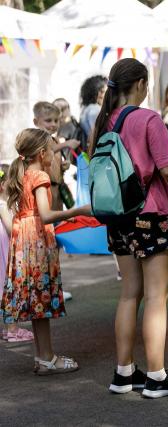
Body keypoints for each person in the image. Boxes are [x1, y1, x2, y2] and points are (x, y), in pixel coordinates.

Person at [89, 58, 168, 398]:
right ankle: (157, 376)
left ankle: (124, 373)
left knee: (130, 293)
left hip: (118, 217)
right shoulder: (148, 119)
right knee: (157, 297)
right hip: (153, 214)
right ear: (141, 83)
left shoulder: (104, 122)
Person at [1, 128, 91, 374]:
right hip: (36, 240)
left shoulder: (22, 174)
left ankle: (42, 358)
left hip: (24, 240)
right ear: (42, 154)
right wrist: (78, 211)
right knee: (40, 300)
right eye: (52, 150)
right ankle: (48, 357)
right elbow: (46, 214)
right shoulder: (39, 176)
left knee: (35, 301)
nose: (55, 155)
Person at [0, 164, 34, 343]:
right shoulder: (2, 205)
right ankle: (12, 329)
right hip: (4, 253)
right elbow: (10, 227)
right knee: (7, 290)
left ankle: (7, 329)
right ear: (4, 185)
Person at [79, 75, 108, 149]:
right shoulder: (95, 110)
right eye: (105, 91)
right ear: (99, 93)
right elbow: (94, 135)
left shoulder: (87, 108)